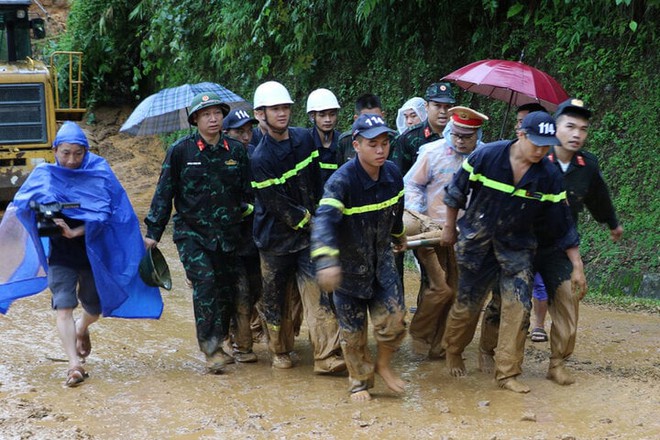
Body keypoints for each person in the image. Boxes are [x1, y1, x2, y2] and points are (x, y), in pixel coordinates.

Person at [0, 121, 163, 387]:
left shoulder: (99, 172)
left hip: (93, 254)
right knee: (63, 306)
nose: (71, 160)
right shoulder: (44, 175)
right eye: (65, 153)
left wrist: (77, 231)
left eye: (78, 153)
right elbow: (23, 208)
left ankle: (81, 328)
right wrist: (48, 219)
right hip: (60, 257)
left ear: (86, 151)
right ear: (55, 150)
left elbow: (115, 214)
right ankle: (74, 365)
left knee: (94, 308)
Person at [480, 99, 623, 386]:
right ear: (554, 127)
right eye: (569, 126)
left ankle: (557, 363)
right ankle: (495, 355)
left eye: (582, 129)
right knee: (509, 303)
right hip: (519, 244)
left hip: (557, 245)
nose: (576, 134)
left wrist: (611, 222)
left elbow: (597, 196)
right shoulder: (531, 157)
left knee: (569, 298)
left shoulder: (586, 165)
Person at [440, 111, 583, 393]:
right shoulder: (488, 156)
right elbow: (456, 191)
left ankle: (507, 373)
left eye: (547, 144)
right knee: (467, 307)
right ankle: (453, 349)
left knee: (518, 307)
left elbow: (562, 223)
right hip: (477, 244)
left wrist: (576, 264)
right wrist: (448, 228)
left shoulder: (549, 175)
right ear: (521, 135)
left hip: (517, 249)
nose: (541, 150)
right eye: (536, 143)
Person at [144, 92, 252, 374]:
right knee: (205, 285)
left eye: (217, 113)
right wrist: (153, 231)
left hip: (228, 234)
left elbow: (248, 192)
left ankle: (219, 341)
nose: (213, 118)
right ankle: (210, 348)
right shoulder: (181, 152)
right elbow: (164, 192)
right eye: (206, 114)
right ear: (195, 120)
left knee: (226, 290)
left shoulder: (236, 151)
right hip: (192, 234)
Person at [250, 81, 345, 373]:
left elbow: (317, 181)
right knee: (275, 299)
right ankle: (280, 349)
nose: (282, 113)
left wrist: (324, 213)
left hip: (307, 237)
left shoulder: (305, 140)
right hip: (274, 240)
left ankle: (327, 355)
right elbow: (277, 205)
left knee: (319, 293)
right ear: (259, 114)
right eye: (275, 109)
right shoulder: (259, 159)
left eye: (285, 108)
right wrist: (312, 223)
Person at [312, 114, 407, 401]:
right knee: (353, 334)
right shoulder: (341, 181)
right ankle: (359, 382)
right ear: (356, 145)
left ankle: (384, 364)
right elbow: (324, 221)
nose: (380, 150)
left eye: (385, 143)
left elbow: (397, 211)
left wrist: (399, 234)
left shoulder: (393, 174)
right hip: (348, 269)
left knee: (395, 320)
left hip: (382, 263)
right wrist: (327, 261)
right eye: (372, 144)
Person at [403, 106, 488, 360]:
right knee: (438, 287)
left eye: (467, 136)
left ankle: (441, 345)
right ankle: (421, 334)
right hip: (433, 229)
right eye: (457, 135)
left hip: (468, 235)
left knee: (459, 289)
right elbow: (413, 184)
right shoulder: (432, 152)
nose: (460, 141)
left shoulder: (485, 157)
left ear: (477, 135)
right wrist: (419, 216)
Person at [222, 108, 263, 362]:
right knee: (239, 292)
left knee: (256, 289)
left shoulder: (256, 157)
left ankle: (235, 336)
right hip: (228, 239)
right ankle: (239, 344)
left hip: (254, 237)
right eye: (240, 132)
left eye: (249, 131)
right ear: (226, 133)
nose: (246, 137)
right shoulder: (218, 160)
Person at [390, 82, 456, 176]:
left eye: (448, 106)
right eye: (437, 105)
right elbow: (397, 176)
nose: (443, 111)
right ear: (426, 106)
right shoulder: (409, 138)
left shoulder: (460, 136)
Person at [337, 93, 385, 164]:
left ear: (383, 116)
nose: (371, 123)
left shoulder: (392, 138)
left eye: (375, 118)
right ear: (356, 119)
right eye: (366, 119)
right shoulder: (345, 140)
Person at [306, 88, 342, 183]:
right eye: (322, 115)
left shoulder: (342, 142)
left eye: (332, 114)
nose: (328, 119)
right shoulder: (305, 142)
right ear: (313, 116)